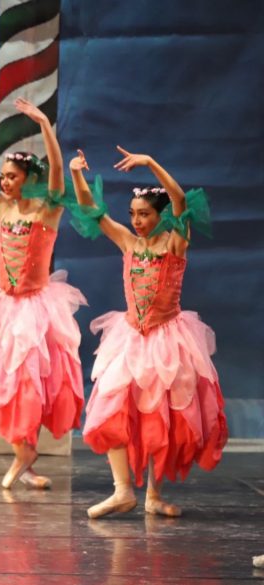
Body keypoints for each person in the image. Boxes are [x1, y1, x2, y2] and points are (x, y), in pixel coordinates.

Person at [70, 147, 226, 519]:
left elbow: (180, 200)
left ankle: (153, 495)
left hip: (167, 339)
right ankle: (122, 490)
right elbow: (92, 209)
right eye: (133, 214)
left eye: (144, 214)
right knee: (111, 407)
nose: (137, 221)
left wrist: (152, 163)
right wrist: (76, 174)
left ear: (160, 216)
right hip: (129, 337)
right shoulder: (129, 242)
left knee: (160, 417)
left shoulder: (175, 244)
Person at [0, 94, 85, 490]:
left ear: (29, 178)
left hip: (36, 308)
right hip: (1, 305)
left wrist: (44, 125)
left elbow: (58, 171)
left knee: (30, 383)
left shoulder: (48, 210)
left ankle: (26, 454)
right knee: (4, 382)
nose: (4, 182)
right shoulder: (1, 207)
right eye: (4, 176)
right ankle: (23, 456)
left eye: (11, 176)